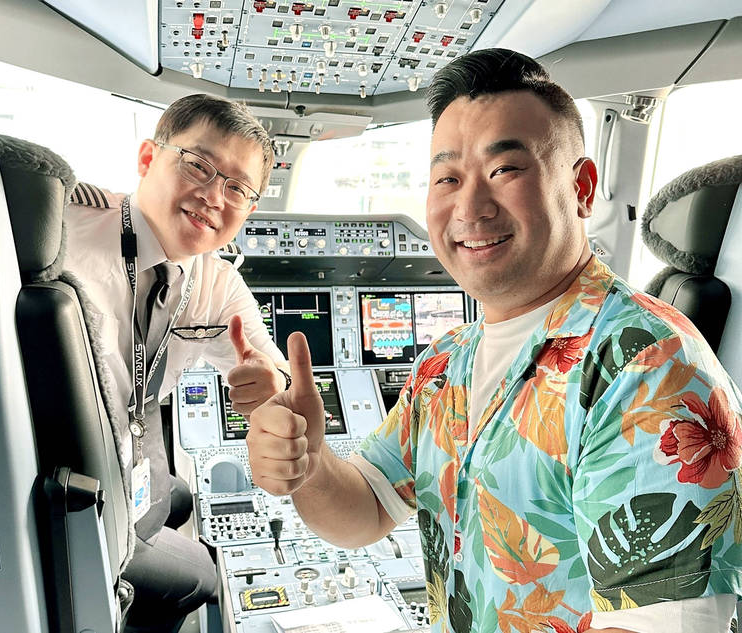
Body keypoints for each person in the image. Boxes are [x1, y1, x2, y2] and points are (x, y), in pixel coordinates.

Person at [246, 49, 742, 633]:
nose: (470, 206)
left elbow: (669, 624)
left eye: (504, 170)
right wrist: (310, 460)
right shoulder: (444, 362)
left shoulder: (647, 366)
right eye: (447, 178)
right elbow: (368, 507)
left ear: (582, 188)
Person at [64, 94, 289, 633]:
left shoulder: (216, 282)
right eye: (199, 165)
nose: (214, 196)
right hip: (67, 463)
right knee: (200, 575)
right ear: (147, 159)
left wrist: (269, 383)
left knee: (182, 500)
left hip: (130, 451)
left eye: (237, 188)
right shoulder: (61, 233)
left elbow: (270, 365)